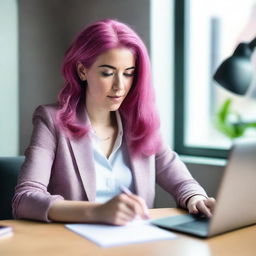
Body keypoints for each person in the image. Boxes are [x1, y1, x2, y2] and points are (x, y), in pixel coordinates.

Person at [12, 19, 215, 225]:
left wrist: (196, 199)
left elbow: (182, 182)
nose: (120, 86)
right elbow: (25, 199)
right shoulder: (51, 120)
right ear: (83, 71)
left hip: (134, 243)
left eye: (128, 74)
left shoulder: (140, 121)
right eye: (107, 73)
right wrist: (98, 211)